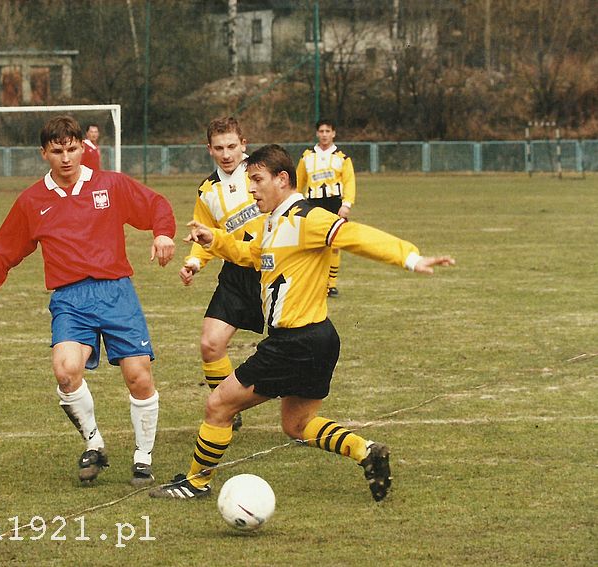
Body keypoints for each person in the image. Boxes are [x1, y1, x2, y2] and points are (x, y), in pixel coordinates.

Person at [150, 144, 454, 502]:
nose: (251, 189)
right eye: (249, 181)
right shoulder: (271, 223)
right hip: (319, 339)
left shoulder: (307, 219)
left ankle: (195, 483)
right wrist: (214, 239)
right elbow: (250, 254)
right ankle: (366, 451)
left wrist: (411, 258)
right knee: (297, 425)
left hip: (293, 342)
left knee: (218, 405)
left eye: (258, 180)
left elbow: (355, 236)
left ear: (282, 179)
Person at [0, 115, 176, 487]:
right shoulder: (32, 201)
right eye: (57, 151)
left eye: (72, 149)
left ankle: (143, 457)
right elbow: (6, 250)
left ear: (83, 147)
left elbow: (157, 205)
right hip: (70, 298)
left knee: (138, 375)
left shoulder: (110, 185)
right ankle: (94, 443)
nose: (66, 158)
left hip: (116, 291)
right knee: (65, 371)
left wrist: (163, 234)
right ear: (44, 153)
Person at [179, 117, 265, 431]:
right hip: (236, 274)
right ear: (209, 150)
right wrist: (194, 262)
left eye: (232, 146)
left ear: (244, 143)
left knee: (292, 348)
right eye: (219, 148)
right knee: (210, 343)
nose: (226, 154)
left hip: (273, 270)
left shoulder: (262, 172)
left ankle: (300, 414)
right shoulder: (207, 190)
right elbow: (206, 234)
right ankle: (226, 405)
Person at [296, 118, 356, 297]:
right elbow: (299, 181)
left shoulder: (342, 158)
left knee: (335, 244)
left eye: (327, 131)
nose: (324, 135)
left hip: (334, 203)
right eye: (321, 131)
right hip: (313, 204)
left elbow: (349, 182)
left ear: (333, 133)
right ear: (317, 133)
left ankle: (331, 284)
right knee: (311, 244)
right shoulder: (307, 157)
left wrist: (346, 204)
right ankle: (313, 283)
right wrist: (295, 201)